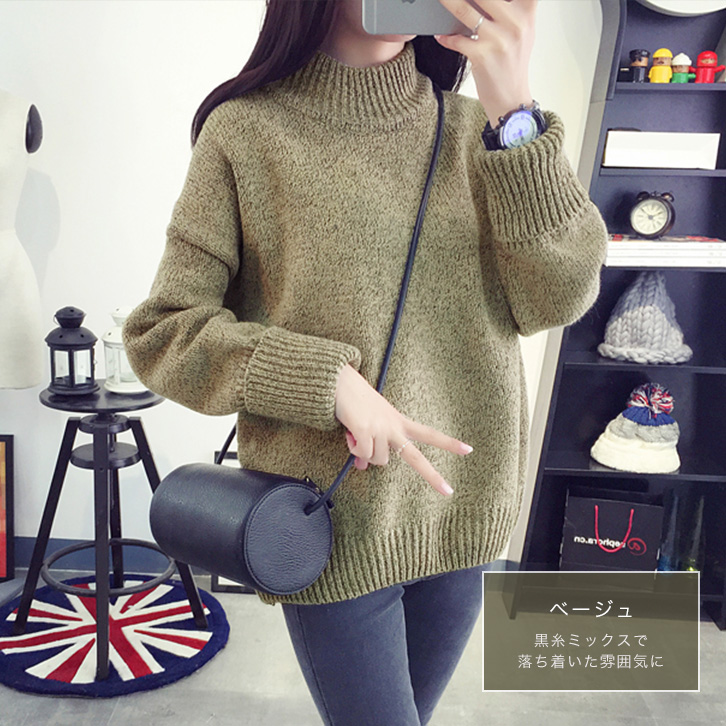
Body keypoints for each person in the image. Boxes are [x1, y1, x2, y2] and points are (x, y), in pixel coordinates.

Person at [123, 0, 608, 723]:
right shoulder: (246, 133)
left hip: (465, 513)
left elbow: (560, 296)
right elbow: (163, 333)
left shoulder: (483, 132)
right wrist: (327, 382)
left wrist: (514, 110)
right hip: (333, 526)